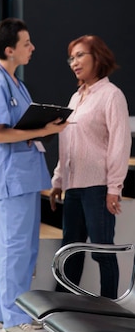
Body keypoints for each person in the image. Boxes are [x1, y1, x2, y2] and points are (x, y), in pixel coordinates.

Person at [0, 18, 67, 332]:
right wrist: (45, 130)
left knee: (21, 250)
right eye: (27, 43)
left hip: (25, 177)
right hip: (10, 178)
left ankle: (4, 313)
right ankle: (15, 320)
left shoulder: (16, 83)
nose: (32, 48)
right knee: (15, 250)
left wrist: (41, 126)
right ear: (9, 49)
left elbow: (20, 126)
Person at [49, 35, 131, 299]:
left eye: (81, 55)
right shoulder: (75, 98)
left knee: (102, 252)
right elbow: (67, 144)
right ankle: (63, 311)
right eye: (71, 57)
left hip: (97, 188)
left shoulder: (111, 95)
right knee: (68, 253)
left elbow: (120, 143)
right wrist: (58, 181)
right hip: (73, 188)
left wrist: (114, 187)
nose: (74, 62)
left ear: (98, 57)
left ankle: (110, 314)